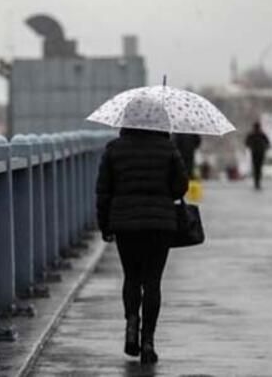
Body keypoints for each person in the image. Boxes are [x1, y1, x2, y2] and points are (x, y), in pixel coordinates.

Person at [96, 128, 189, 365]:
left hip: (125, 224)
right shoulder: (167, 148)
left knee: (132, 278)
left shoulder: (114, 149)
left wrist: (104, 225)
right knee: (153, 282)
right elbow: (181, 187)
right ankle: (148, 341)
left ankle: (131, 323)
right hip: (160, 224)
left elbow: (103, 191)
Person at [245, 122, 270, 190]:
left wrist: (251, 146)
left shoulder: (252, 134)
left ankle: (256, 182)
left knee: (256, 168)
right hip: (261, 153)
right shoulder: (262, 134)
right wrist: (264, 147)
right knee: (259, 168)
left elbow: (247, 143)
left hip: (254, 153)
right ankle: (258, 182)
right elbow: (268, 142)